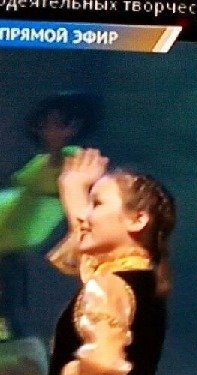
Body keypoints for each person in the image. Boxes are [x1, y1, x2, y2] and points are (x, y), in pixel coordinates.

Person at [1, 149, 197, 375]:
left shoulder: (109, 286)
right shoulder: (138, 278)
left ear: (138, 219)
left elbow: (104, 364)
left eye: (98, 204)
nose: (85, 217)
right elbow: (90, 254)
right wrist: (72, 188)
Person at [0, 92, 102, 339]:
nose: (47, 129)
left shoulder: (73, 161)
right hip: (7, 243)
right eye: (45, 123)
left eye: (55, 123)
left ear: (73, 127)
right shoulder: (41, 160)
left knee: (10, 317)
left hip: (11, 249)